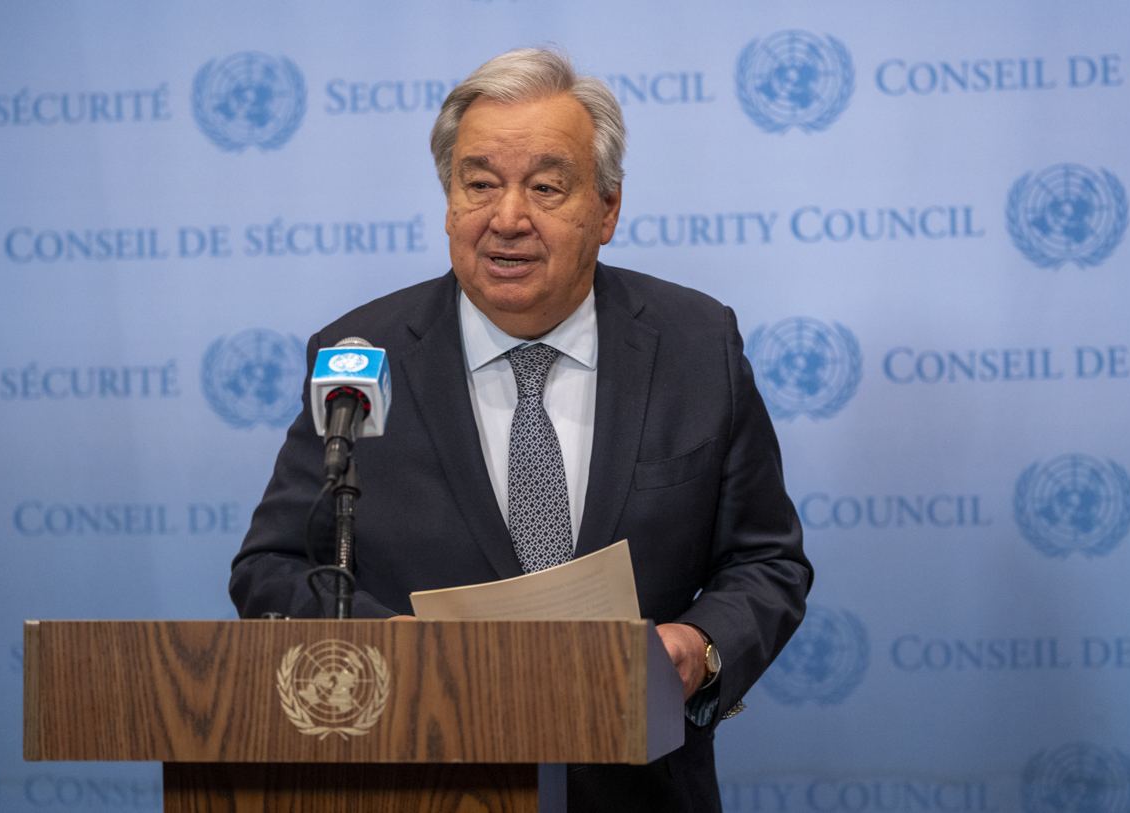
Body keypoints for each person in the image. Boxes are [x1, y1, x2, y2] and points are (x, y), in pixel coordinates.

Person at [230, 47, 812, 812]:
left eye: (545, 186)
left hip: (635, 790)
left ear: (606, 208)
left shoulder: (696, 343)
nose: (508, 217)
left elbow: (766, 561)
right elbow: (272, 569)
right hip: (421, 780)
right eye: (479, 184)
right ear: (447, 201)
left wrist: (698, 648)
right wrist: (409, 656)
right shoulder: (358, 357)